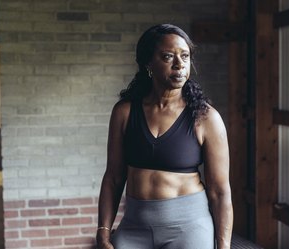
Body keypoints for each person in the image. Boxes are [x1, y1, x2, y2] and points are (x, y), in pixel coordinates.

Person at [96, 23, 233, 249]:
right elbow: (113, 177)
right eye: (169, 56)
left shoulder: (205, 117)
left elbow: (219, 191)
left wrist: (224, 245)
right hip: (134, 227)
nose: (180, 64)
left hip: (189, 228)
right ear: (148, 63)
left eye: (185, 56)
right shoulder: (125, 112)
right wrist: (103, 231)